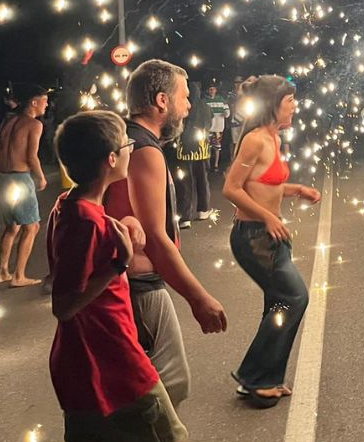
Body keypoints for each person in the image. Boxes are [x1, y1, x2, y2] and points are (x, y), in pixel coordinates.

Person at [48, 109, 189, 442]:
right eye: (126, 146)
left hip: (79, 364)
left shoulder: (70, 206)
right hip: (112, 361)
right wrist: (118, 264)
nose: (130, 150)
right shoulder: (87, 222)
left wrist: (120, 225)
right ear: (111, 160)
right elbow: (64, 305)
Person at [104, 60, 227, 407]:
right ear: (162, 101)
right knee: (167, 389)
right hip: (140, 289)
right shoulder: (143, 150)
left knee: (135, 392)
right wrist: (198, 298)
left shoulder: (123, 139)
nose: (189, 106)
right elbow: (155, 238)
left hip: (123, 285)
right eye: (184, 97)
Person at [220, 76, 321, 407]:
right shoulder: (255, 140)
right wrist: (268, 217)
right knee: (293, 298)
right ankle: (254, 376)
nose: (295, 106)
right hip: (253, 238)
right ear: (272, 105)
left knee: (278, 304)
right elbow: (232, 189)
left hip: (269, 234)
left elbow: (265, 184)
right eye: (290, 100)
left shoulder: (273, 137)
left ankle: (266, 378)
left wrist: (298, 190)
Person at [0, 86, 49, 287]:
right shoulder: (34, 125)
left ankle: (2, 271)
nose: (47, 104)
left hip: (3, 178)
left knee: (11, 226)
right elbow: (31, 155)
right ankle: (19, 276)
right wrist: (41, 177)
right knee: (31, 227)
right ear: (34, 102)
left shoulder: (8, 121)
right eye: (44, 100)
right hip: (20, 178)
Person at [174, 82, 213, 228]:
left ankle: (185, 217)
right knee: (202, 180)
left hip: (183, 151)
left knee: (185, 183)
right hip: (201, 150)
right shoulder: (205, 107)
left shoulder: (182, 106)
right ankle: (203, 210)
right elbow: (209, 124)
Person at [205, 85, 230, 172]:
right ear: (208, 90)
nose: (212, 90)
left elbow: (227, 111)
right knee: (207, 147)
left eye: (213, 89)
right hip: (208, 128)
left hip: (218, 127)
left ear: (216, 90)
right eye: (210, 89)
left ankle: (216, 164)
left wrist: (226, 113)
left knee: (217, 147)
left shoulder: (221, 100)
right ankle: (207, 164)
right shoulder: (205, 101)